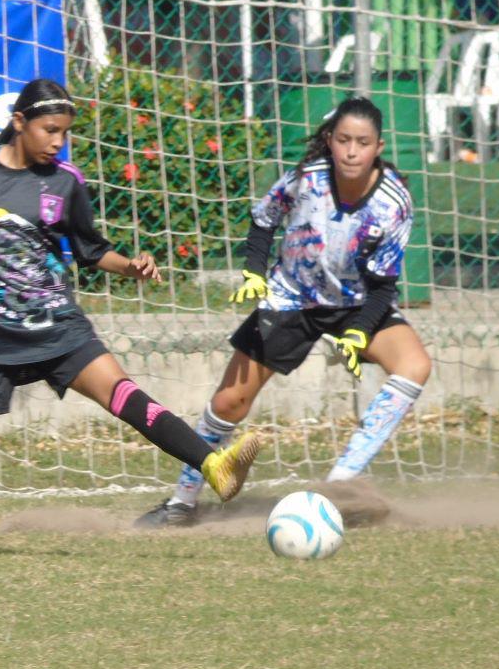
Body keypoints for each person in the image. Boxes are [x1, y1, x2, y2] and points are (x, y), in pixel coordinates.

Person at [0, 79, 264, 563]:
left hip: (59, 328)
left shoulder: (64, 181)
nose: (58, 141)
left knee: (125, 394)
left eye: (64, 133)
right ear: (19, 123)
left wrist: (130, 266)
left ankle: (215, 466)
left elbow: (90, 250)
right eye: (49, 130)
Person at [137, 96, 431, 529]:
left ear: (379, 147)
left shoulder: (394, 202)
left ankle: (342, 483)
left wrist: (359, 333)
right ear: (330, 141)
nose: (352, 151)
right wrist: (256, 274)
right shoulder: (305, 180)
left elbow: (384, 284)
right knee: (230, 400)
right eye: (344, 140)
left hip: (356, 303)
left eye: (362, 142)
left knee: (415, 366)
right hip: (292, 297)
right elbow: (263, 220)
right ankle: (182, 501)